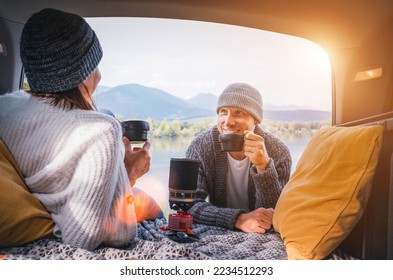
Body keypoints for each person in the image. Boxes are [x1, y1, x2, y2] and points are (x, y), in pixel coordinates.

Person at [0, 8, 151, 251]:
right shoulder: (100, 131)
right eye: (95, 65)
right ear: (82, 73)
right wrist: (129, 174)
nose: (99, 76)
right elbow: (81, 240)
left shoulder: (5, 107)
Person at [186, 82, 292, 233]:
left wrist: (264, 167)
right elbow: (189, 204)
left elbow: (274, 213)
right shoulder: (201, 147)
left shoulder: (279, 153)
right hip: (220, 229)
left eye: (238, 113)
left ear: (256, 120)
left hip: (261, 234)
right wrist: (239, 219)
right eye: (223, 112)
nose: (228, 122)